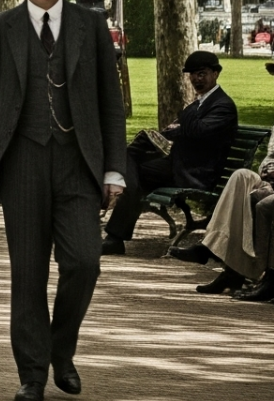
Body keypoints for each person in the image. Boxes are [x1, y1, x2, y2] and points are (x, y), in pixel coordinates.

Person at [0, 0, 127, 401]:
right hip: (24, 165)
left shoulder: (89, 26)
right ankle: (32, 373)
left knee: (84, 262)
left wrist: (113, 168)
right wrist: (5, 142)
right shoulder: (0, 28)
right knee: (28, 273)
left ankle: (61, 348)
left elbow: (110, 104)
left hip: (78, 164)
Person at [178, 47, 274, 293]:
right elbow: (270, 156)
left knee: (260, 197)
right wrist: (273, 167)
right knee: (241, 176)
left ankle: (233, 268)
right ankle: (221, 259)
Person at [102, 50, 239, 253]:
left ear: (215, 73)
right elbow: (181, 131)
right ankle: (114, 236)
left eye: (201, 74)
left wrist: (184, 114)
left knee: (129, 165)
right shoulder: (202, 103)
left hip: (194, 173)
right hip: (178, 164)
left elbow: (197, 130)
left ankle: (114, 230)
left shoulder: (222, 105)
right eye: (192, 75)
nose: (196, 79)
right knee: (129, 155)